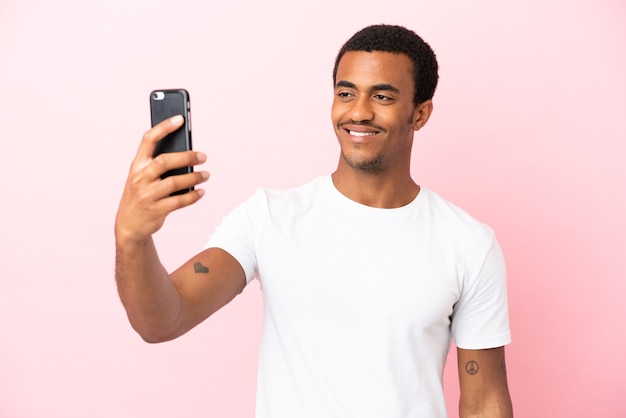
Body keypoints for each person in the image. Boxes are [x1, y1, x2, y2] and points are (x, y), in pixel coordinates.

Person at [115, 24, 513, 418]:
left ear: (420, 113)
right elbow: (162, 322)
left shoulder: (468, 243)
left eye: (382, 96)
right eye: (345, 93)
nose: (358, 111)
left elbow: (484, 402)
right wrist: (132, 238)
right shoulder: (268, 217)